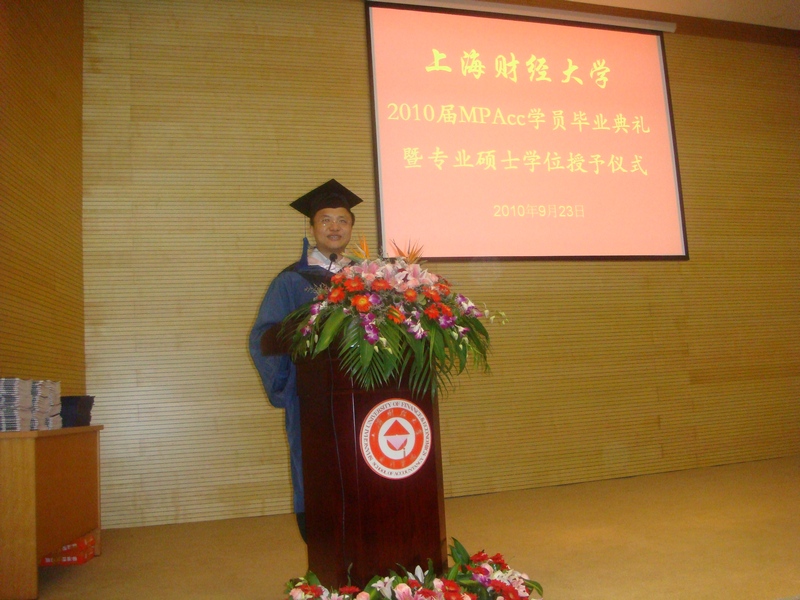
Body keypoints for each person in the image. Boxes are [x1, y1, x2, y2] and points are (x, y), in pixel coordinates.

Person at [248, 179, 362, 541]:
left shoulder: (369, 278)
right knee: (315, 468)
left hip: (364, 396)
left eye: (342, 220)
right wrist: (287, 386)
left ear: (351, 228)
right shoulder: (291, 280)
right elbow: (264, 337)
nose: (334, 227)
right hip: (312, 399)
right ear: (312, 227)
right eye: (325, 220)